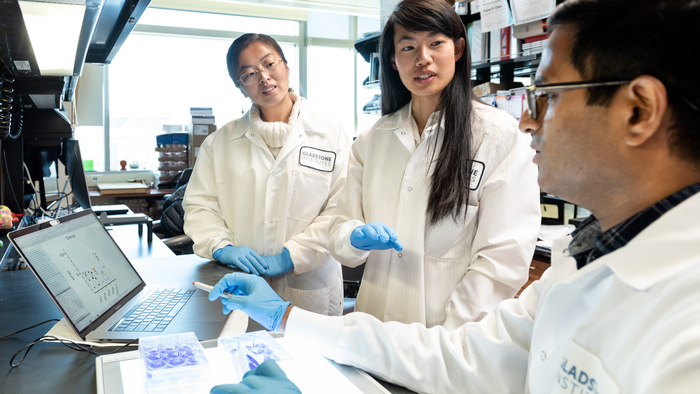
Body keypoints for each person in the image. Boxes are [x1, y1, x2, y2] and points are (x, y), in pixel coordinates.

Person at [208, 0, 700, 392]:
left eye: (546, 96)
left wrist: (447, 339)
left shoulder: (684, 326)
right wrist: (286, 313)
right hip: (393, 344)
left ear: (639, 111)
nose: (529, 121)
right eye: (406, 47)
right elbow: (468, 355)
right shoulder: (579, 265)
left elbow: (488, 287)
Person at [328, 0, 541, 329]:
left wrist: (446, 340)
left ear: (457, 49)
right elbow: (341, 225)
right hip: (372, 330)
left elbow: (501, 259)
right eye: (409, 46)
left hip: (447, 340)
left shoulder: (498, 136)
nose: (422, 58)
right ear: (393, 60)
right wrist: (353, 237)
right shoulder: (372, 140)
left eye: (435, 43)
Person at [183, 33, 351, 316]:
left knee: (309, 358)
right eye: (249, 73)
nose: (264, 78)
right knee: (244, 357)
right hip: (242, 286)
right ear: (240, 87)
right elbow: (200, 207)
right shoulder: (220, 143)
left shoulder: (332, 134)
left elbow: (341, 209)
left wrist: (292, 256)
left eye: (269, 64)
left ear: (286, 66)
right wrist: (221, 247)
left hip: (309, 290)